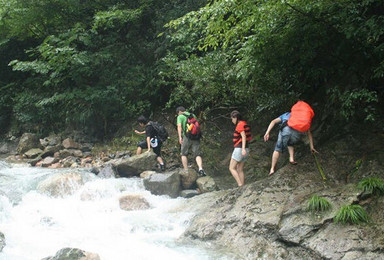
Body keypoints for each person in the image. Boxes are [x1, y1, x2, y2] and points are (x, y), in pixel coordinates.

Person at [263, 112, 318, 176]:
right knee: (290, 142)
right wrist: (312, 147)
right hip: (295, 131)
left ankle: (272, 169)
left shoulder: (286, 114)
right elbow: (308, 133)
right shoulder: (301, 117)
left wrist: (267, 132)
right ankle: (291, 158)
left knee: (278, 149)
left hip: (285, 128)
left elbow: (273, 121)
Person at [176, 106, 206, 176]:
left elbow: (179, 126)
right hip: (196, 136)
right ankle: (201, 169)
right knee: (197, 154)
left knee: (183, 153)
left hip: (187, 136)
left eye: (178, 113)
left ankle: (186, 171)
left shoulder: (180, 117)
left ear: (179, 111)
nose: (178, 115)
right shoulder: (192, 115)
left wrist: (180, 137)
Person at [229, 110, 251, 187]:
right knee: (240, 169)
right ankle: (242, 186)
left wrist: (243, 149)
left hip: (240, 149)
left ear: (236, 118)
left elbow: (243, 136)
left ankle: (240, 184)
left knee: (231, 168)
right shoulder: (244, 123)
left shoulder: (240, 125)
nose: (232, 121)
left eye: (232, 119)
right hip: (246, 148)